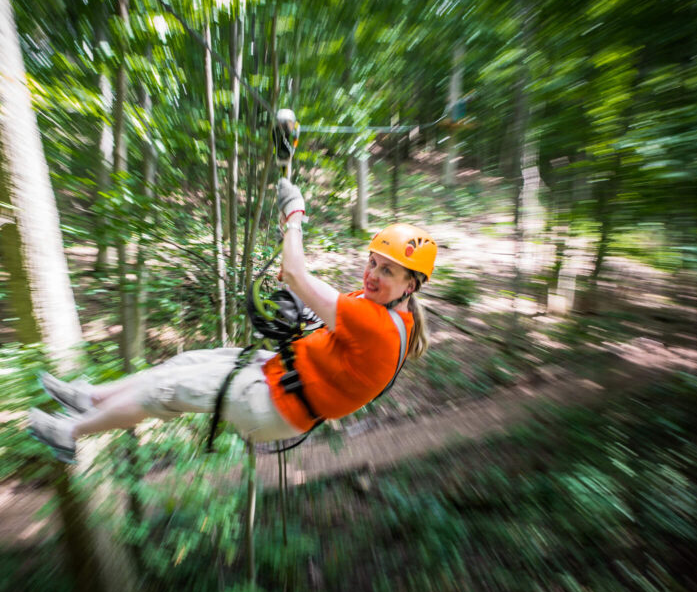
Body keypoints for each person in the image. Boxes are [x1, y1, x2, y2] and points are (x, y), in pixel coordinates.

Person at [28, 178, 437, 464]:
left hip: (275, 404)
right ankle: (91, 398)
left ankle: (70, 432)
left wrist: (295, 217)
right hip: (279, 373)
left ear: (410, 287)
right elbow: (311, 294)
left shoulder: (376, 324)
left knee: (165, 390)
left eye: (387, 271)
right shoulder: (380, 308)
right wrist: (297, 292)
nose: (371, 275)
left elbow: (298, 274)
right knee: (180, 365)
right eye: (373, 262)